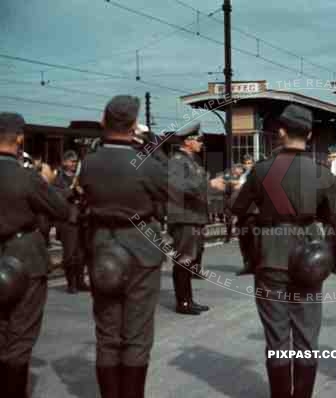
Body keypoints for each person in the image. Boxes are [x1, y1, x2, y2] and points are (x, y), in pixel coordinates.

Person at [78, 95, 219, 397]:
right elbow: (173, 187)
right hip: (140, 247)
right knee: (137, 334)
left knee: (107, 333)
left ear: (104, 123)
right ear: (133, 126)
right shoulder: (143, 164)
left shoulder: (90, 162)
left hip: (102, 246)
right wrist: (151, 147)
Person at [232, 104, 336, 398]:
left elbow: (237, 209)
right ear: (308, 134)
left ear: (281, 132)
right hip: (310, 257)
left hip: (271, 256)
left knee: (277, 338)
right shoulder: (322, 173)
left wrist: (256, 232)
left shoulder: (262, 170)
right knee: (307, 336)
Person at [0, 112, 70, 398]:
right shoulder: (26, 176)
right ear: (19, 139)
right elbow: (61, 211)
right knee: (20, 334)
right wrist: (47, 180)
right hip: (23, 258)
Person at [167, 123, 224, 315]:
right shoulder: (177, 161)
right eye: (199, 139)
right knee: (184, 259)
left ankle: (188, 299)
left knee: (190, 260)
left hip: (194, 216)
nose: (201, 143)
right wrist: (209, 184)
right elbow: (182, 188)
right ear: (187, 141)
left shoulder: (192, 161)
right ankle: (182, 302)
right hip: (184, 217)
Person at [54, 149, 90, 293]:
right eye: (71, 161)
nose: (74, 164)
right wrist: (72, 189)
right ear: (64, 162)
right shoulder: (59, 178)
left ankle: (80, 281)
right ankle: (71, 283)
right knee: (70, 254)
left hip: (82, 218)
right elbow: (57, 197)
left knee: (82, 254)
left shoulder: (80, 177)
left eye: (76, 161)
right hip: (68, 220)